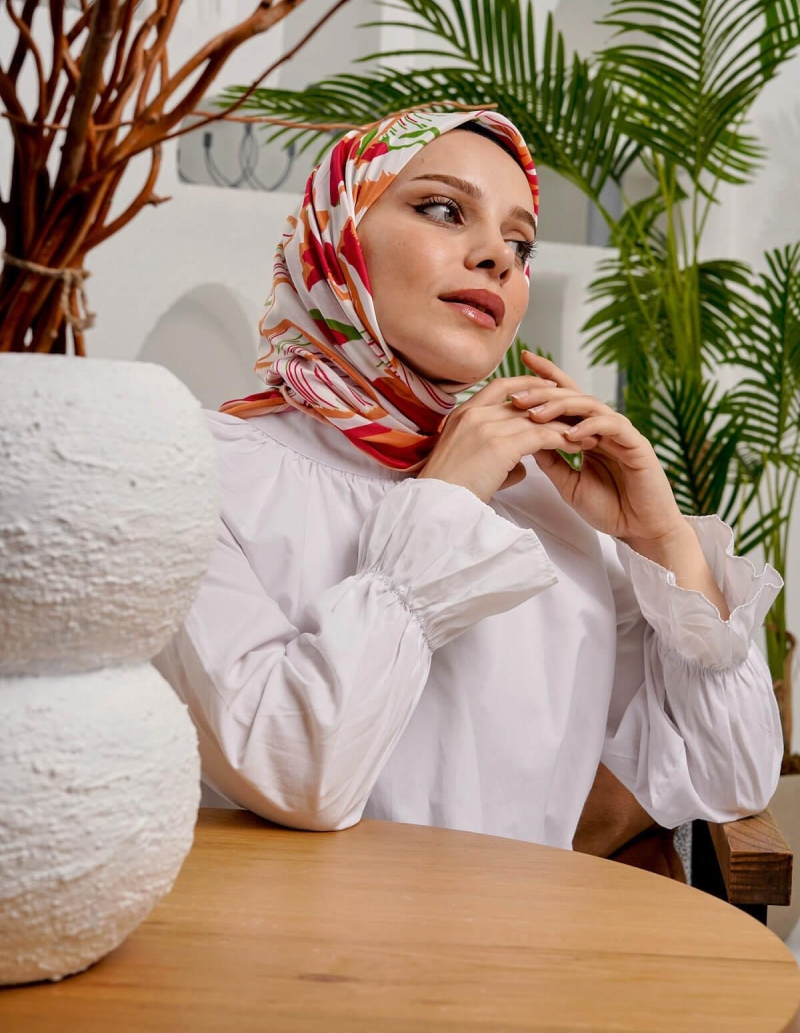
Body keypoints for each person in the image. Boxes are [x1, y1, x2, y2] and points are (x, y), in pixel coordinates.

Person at [155, 108, 783, 851]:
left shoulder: (546, 503)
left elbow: (732, 771)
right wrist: (445, 503)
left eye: (521, 243)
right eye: (444, 209)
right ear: (338, 230)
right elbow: (301, 777)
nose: (498, 259)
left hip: (525, 930)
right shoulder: (197, 473)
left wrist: (662, 538)